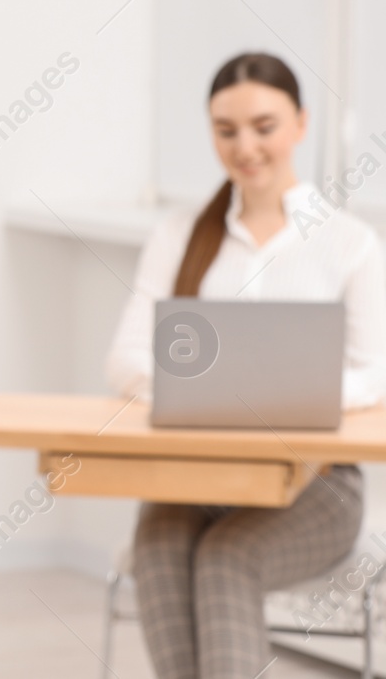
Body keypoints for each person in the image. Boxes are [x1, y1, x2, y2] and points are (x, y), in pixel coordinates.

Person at [104, 51, 386, 679]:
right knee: (158, 546)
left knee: (229, 559)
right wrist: (211, 392)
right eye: (226, 130)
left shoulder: (350, 244)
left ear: (301, 125)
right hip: (196, 475)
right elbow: (124, 359)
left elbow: (373, 377)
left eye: (264, 126)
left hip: (320, 485)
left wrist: (277, 393)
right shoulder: (180, 235)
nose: (246, 147)